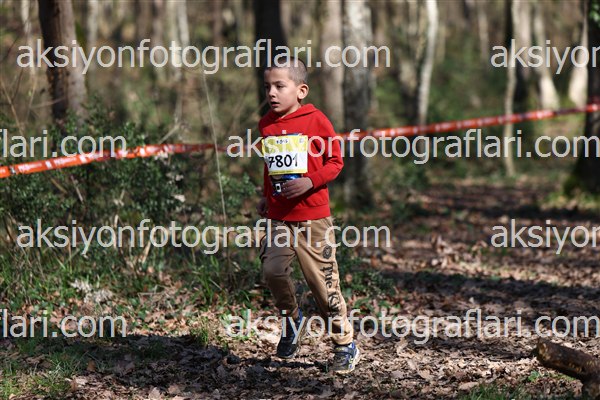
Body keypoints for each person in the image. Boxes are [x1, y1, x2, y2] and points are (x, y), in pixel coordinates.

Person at [256, 57, 360, 374]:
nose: (272, 93)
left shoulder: (316, 121)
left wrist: (310, 182)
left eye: (279, 86)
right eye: (267, 87)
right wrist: (266, 196)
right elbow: (271, 166)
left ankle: (345, 344)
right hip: (279, 216)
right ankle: (292, 321)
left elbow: (335, 162)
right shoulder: (266, 124)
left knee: (324, 287)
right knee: (272, 271)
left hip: (314, 218)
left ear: (301, 90)